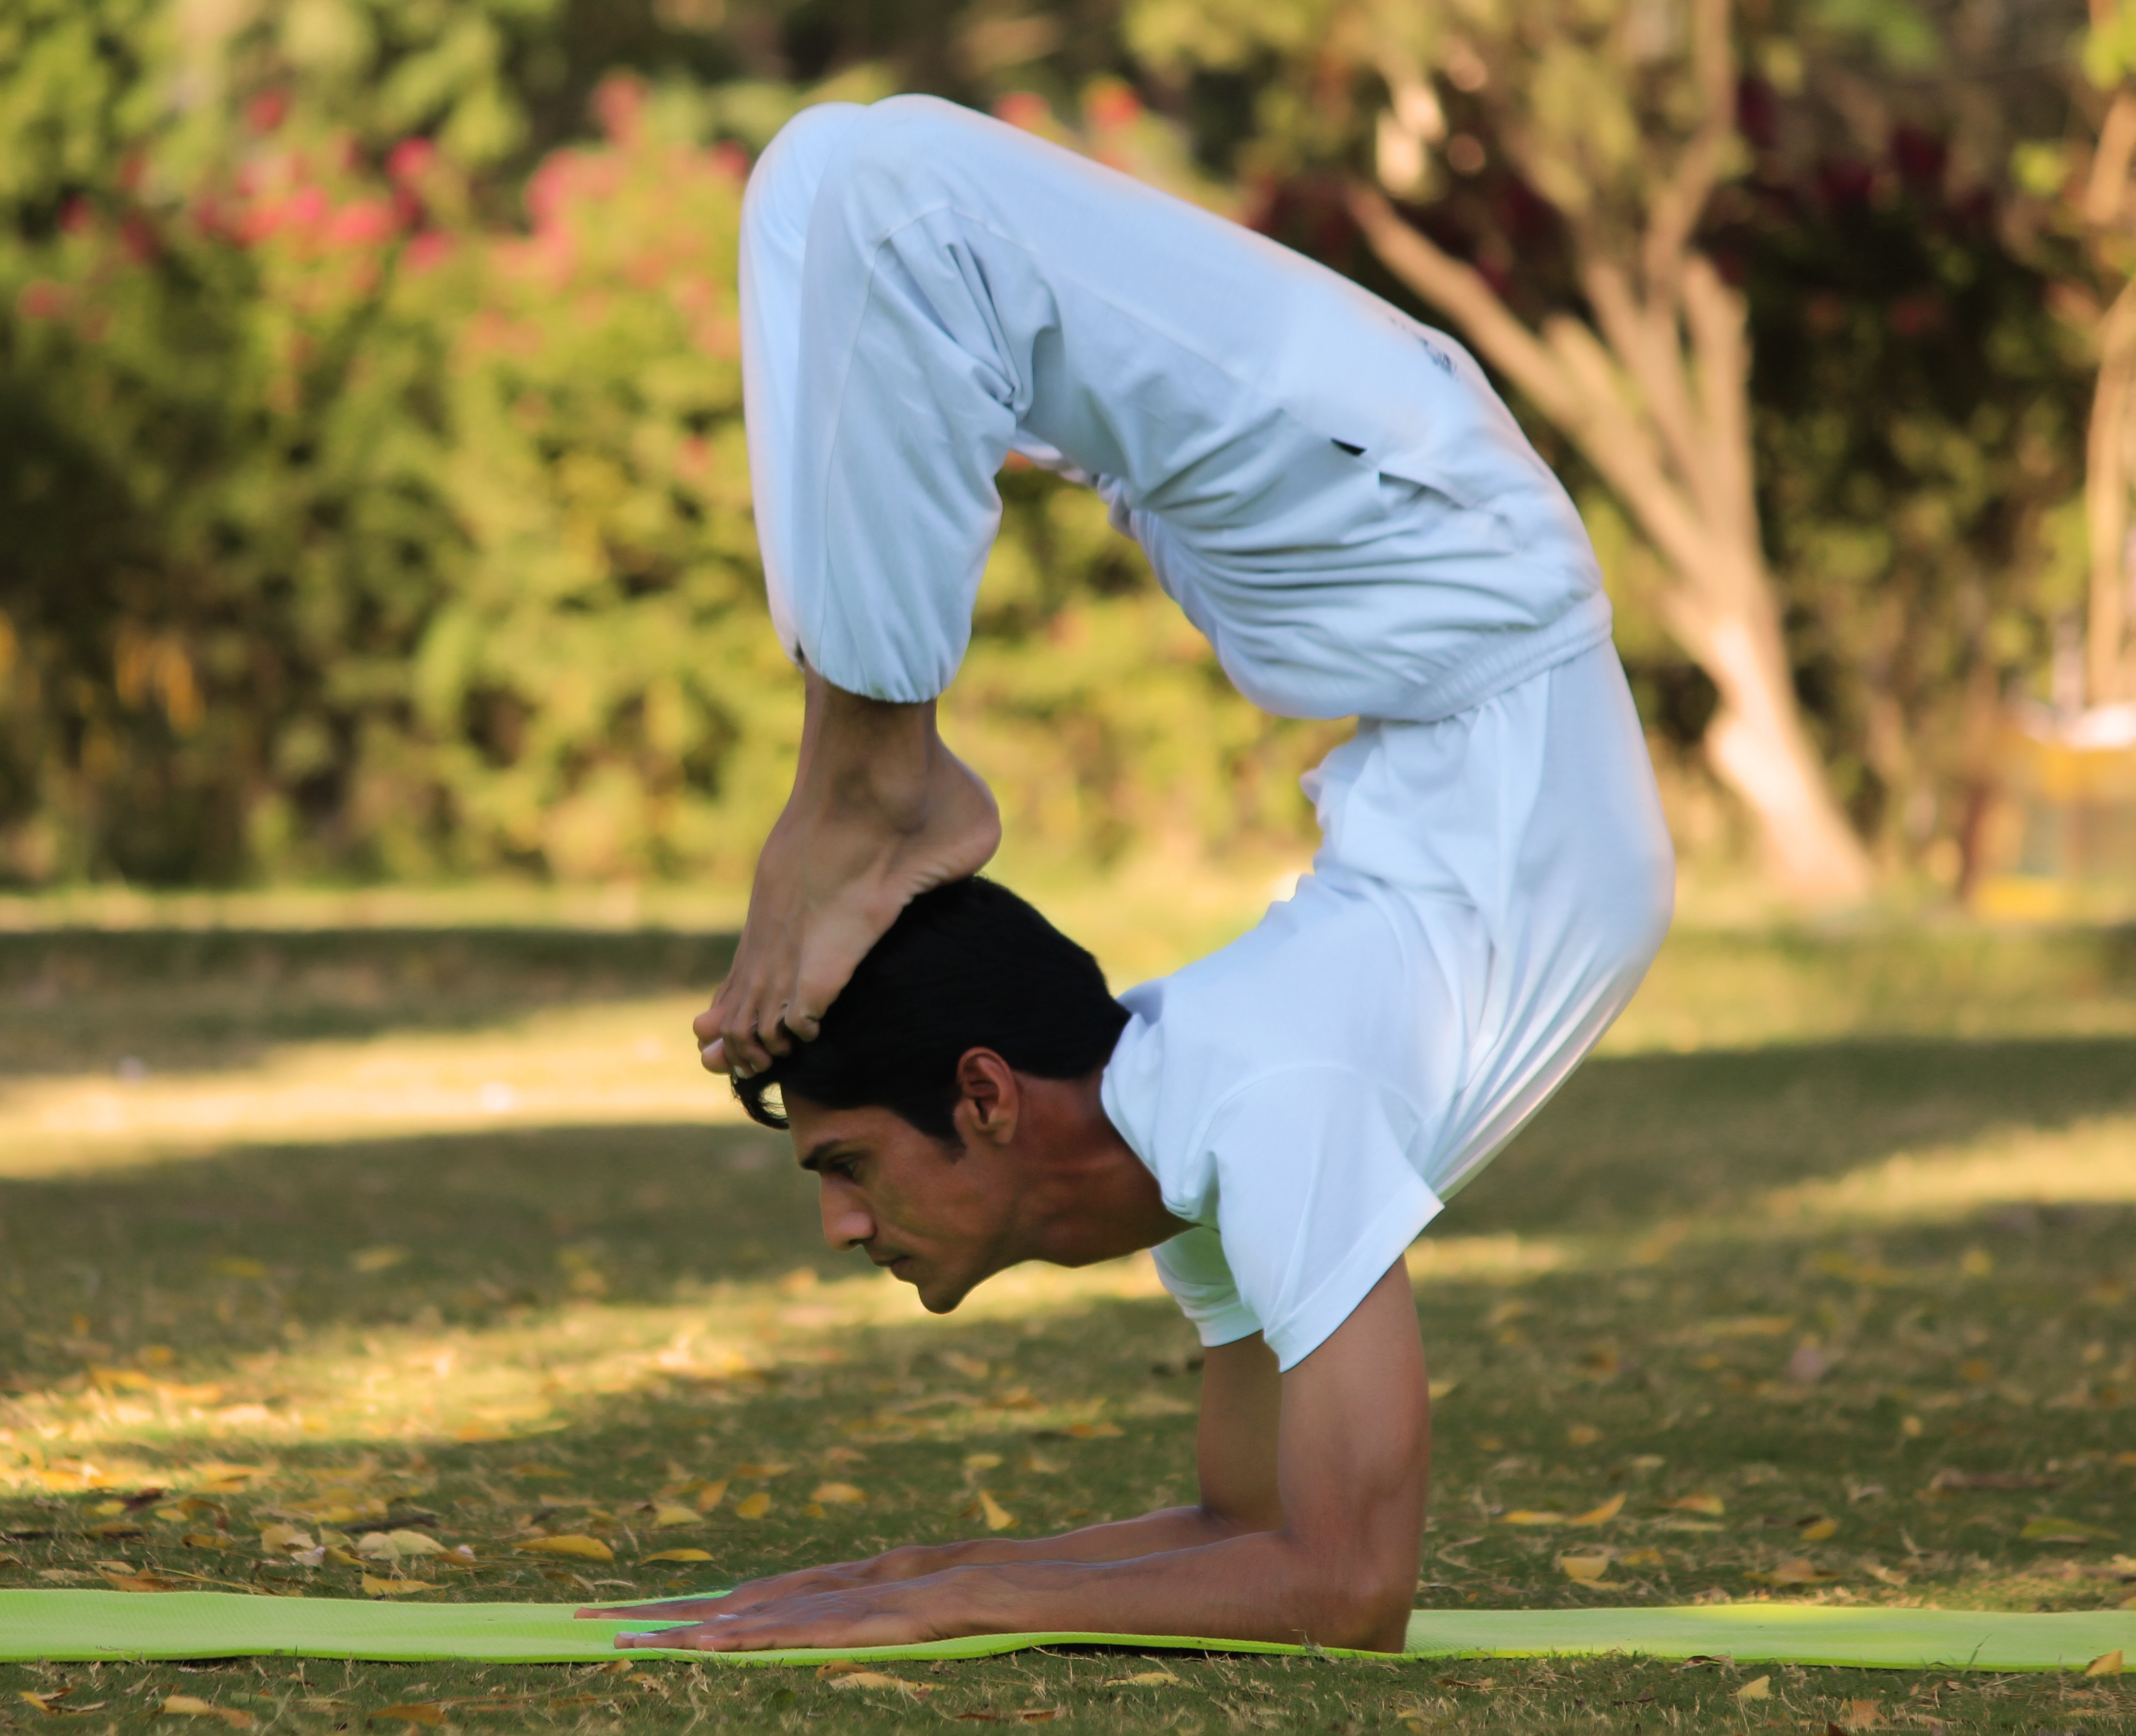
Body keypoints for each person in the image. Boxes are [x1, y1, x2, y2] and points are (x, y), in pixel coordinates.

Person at [589, 92, 1675, 1653]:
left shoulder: (1260, 1106)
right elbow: (1260, 1535)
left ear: (983, 1094)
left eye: (846, 1170)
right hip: (1413, 608)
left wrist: (968, 1598)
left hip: (1446, 589)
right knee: (839, 187)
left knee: (870, 188)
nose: (838, 1232)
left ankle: (875, 780)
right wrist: (905, 1582)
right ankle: (870, 776)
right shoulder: (1218, 1135)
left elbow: (1351, 1587)